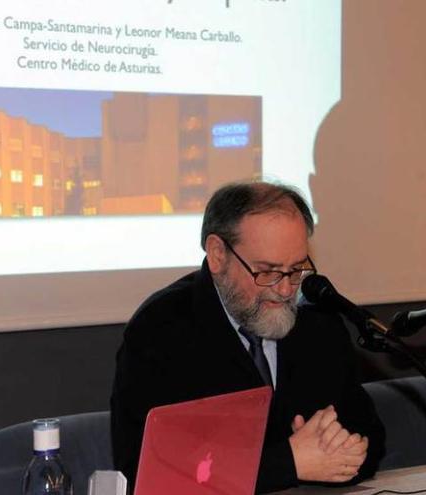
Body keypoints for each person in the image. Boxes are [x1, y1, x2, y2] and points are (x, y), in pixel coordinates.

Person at [110, 182, 385, 493]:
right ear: (217, 255)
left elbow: (370, 434)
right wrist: (289, 463)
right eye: (267, 271)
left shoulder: (317, 323)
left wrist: (346, 450)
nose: (284, 289)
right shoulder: (161, 330)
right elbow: (151, 474)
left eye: (296, 270)